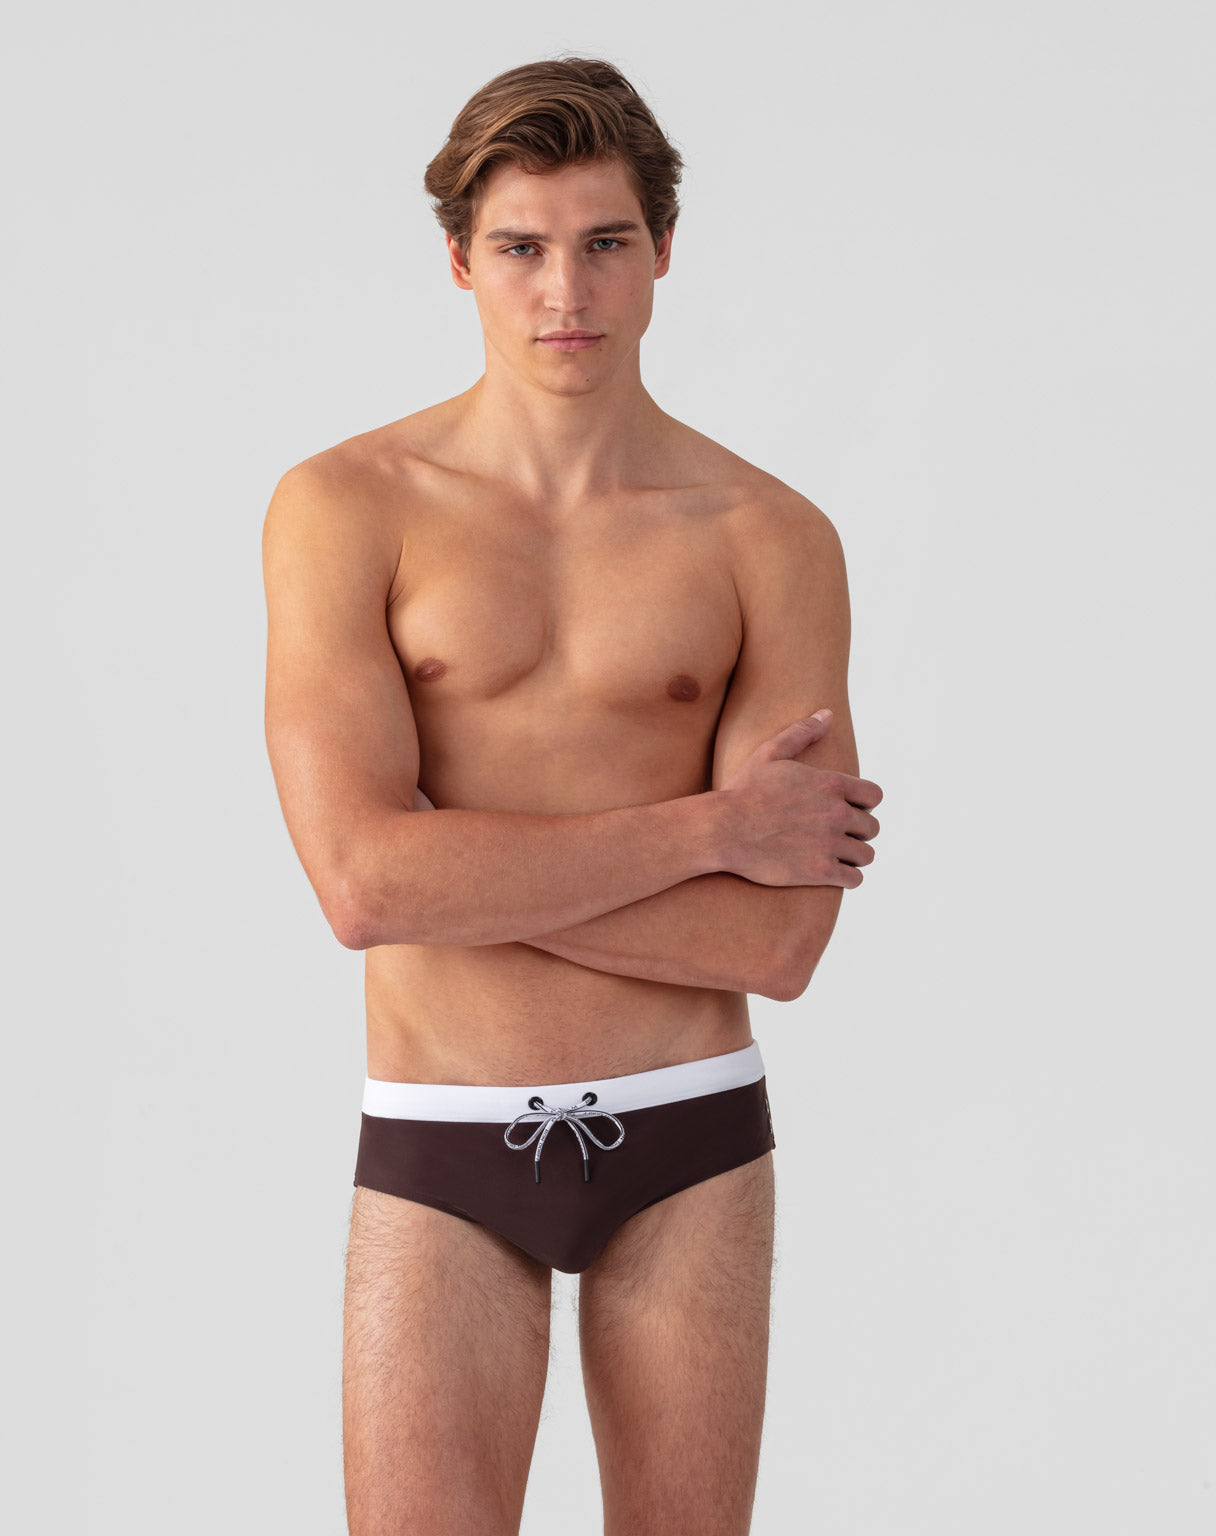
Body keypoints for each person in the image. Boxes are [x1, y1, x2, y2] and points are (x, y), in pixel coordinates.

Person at [261, 55, 883, 1536]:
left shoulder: (769, 537)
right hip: (439, 1135)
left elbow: (777, 944)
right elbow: (362, 887)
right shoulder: (346, 507)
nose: (566, 292)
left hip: (691, 1137)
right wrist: (713, 833)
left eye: (605, 242)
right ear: (458, 260)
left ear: (663, 248)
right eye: (522, 248)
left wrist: (459, 876)